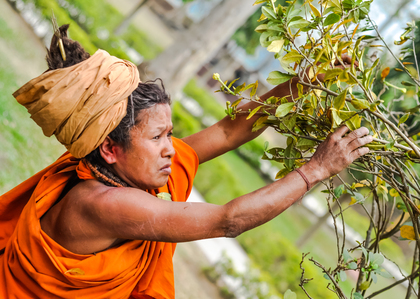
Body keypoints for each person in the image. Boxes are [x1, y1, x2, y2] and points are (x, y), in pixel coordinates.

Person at [0, 25, 372, 298]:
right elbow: (228, 221)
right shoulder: (104, 203)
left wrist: (303, 84)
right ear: (110, 149)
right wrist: (317, 169)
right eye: (157, 137)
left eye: (169, 133)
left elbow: (229, 131)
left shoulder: (130, 171)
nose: (171, 148)